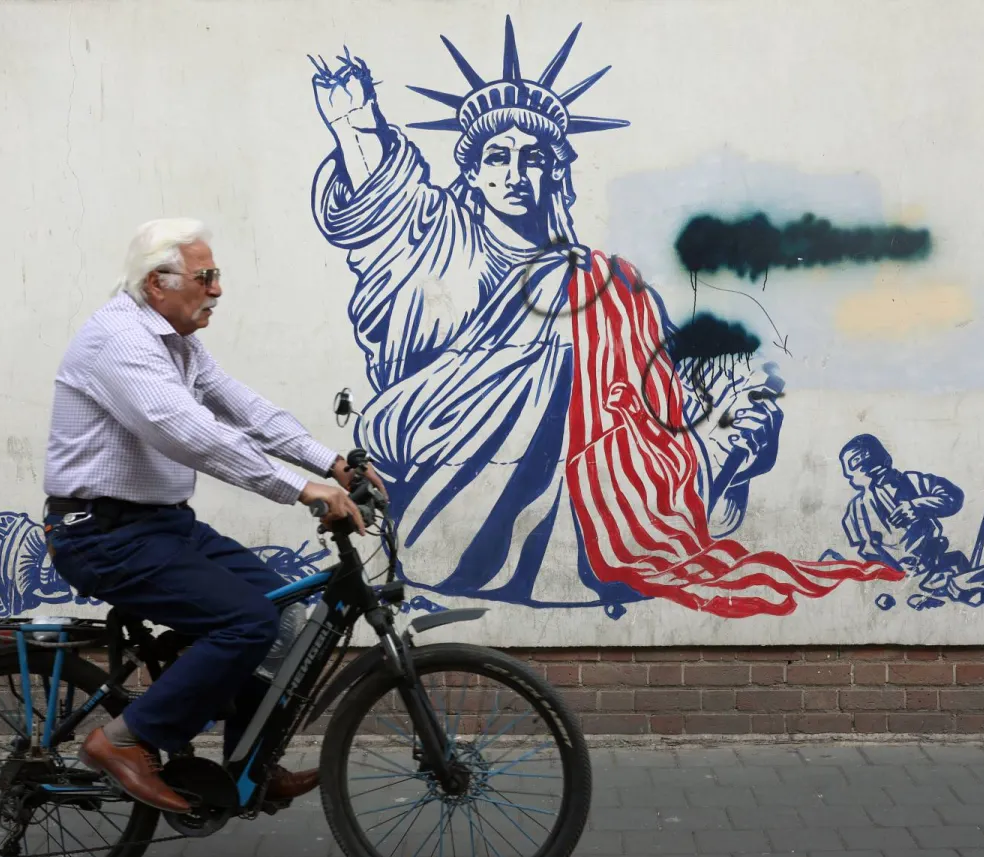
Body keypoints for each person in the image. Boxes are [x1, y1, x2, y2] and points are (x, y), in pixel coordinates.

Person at [308, 24, 899, 617]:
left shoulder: (606, 280)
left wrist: (723, 399)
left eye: (533, 158)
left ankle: (631, 515)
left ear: (556, 173)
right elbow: (384, 204)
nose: (515, 173)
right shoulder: (438, 241)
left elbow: (656, 379)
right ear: (472, 172)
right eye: (497, 156)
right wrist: (355, 127)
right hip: (437, 454)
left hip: (594, 480)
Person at [40, 218, 378, 813]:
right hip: (100, 534)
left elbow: (242, 408)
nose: (218, 289)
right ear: (157, 284)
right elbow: (186, 431)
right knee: (247, 621)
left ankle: (248, 762)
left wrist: (330, 461)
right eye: (207, 277)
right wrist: (299, 488)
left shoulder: (179, 341)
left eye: (215, 275)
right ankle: (124, 741)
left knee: (283, 617)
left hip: (160, 526)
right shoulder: (119, 340)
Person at [838, 434, 967, 588]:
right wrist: (892, 567)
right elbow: (863, 551)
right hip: (895, 582)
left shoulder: (912, 481)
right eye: (858, 466)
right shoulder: (856, 510)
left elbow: (954, 497)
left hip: (936, 568)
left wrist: (918, 506)